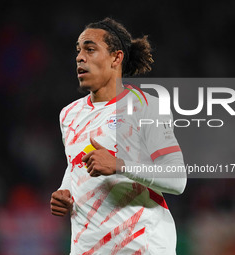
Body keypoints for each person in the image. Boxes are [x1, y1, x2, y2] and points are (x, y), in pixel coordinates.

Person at [50, 17, 187, 255]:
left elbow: (178, 179)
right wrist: (65, 191)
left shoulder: (146, 107)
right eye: (78, 50)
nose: (80, 57)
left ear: (116, 57)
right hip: (87, 248)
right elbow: (75, 165)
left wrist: (119, 165)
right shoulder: (69, 115)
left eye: (90, 49)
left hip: (143, 247)